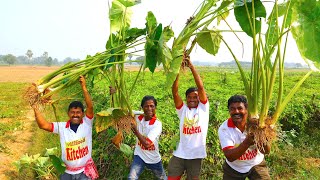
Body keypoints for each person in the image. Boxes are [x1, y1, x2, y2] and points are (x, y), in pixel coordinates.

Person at [30, 75, 99, 180]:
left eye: (78, 112)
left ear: (82, 114)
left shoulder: (87, 123)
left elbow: (90, 107)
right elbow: (43, 125)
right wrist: (35, 107)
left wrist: (84, 87)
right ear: (68, 113)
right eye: (72, 112)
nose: (75, 115)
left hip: (84, 172)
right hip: (66, 172)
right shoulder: (62, 127)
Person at [168, 59, 209, 180]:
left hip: (196, 155)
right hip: (180, 154)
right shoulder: (183, 110)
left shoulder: (203, 109)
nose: (192, 99)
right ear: (186, 99)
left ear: (199, 98)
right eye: (189, 97)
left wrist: (191, 66)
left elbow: (201, 88)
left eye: (195, 97)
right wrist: (178, 70)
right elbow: (175, 93)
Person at [218, 95, 271, 180]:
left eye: (240, 108)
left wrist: (261, 135)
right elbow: (230, 156)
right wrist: (247, 142)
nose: (236, 111)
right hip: (234, 167)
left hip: (256, 163)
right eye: (232, 109)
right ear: (229, 111)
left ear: (246, 109)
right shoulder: (224, 129)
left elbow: (266, 151)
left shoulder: (256, 124)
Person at [128, 95, 167, 180]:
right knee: (131, 178)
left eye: (152, 106)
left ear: (155, 107)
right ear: (142, 107)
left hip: (153, 158)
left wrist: (136, 131)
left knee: (162, 178)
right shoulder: (137, 116)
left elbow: (147, 144)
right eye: (146, 106)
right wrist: (114, 93)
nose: (149, 109)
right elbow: (122, 110)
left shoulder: (157, 124)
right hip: (139, 155)